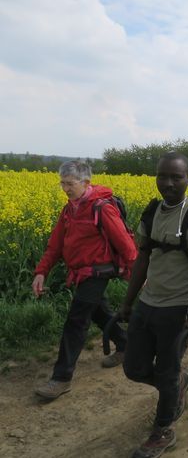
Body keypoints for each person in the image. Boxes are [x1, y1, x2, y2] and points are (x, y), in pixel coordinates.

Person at [120, 152, 188, 458]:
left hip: (180, 307)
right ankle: (177, 384)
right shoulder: (151, 213)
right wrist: (127, 302)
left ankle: (163, 430)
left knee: (166, 371)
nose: (168, 183)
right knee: (133, 368)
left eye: (176, 177)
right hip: (149, 302)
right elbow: (143, 260)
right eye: (163, 176)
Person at [32, 161, 137, 400]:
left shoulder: (101, 207)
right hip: (80, 271)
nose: (65, 189)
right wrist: (41, 272)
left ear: (86, 183)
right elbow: (55, 244)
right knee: (98, 312)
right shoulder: (70, 209)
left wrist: (138, 277)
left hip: (98, 271)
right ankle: (126, 345)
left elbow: (126, 245)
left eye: (69, 184)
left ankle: (61, 378)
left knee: (76, 320)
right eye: (62, 183)